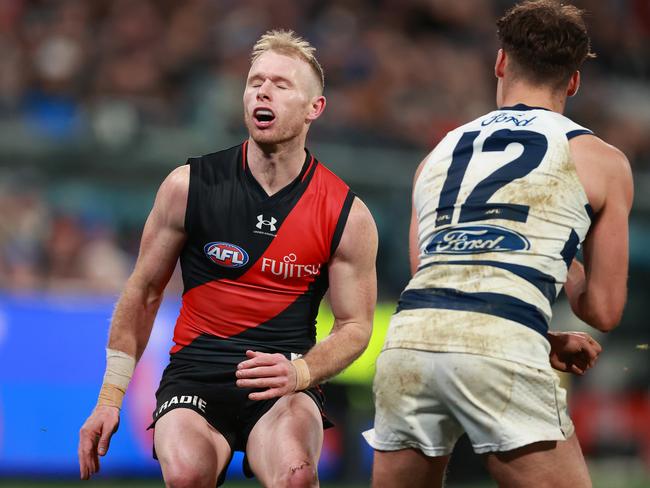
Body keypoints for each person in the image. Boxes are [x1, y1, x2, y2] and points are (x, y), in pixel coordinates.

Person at [78, 30, 378, 488]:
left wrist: (301, 371)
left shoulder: (345, 213)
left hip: (284, 383)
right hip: (195, 377)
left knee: (297, 477)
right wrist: (109, 397)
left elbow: (355, 326)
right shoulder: (188, 186)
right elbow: (143, 292)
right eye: (255, 81)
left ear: (314, 108)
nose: (263, 90)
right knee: (187, 476)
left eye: (281, 84)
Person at [364, 1, 633, 487]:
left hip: (410, 342)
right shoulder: (602, 160)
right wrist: (565, 268)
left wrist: (537, 335)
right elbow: (604, 311)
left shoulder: (436, 154)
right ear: (573, 82)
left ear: (501, 63)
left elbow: (433, 279)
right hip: (502, 348)